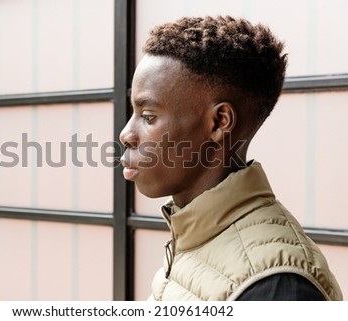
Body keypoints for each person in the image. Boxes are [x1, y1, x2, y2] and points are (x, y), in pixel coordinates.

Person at [119, 16, 342, 300]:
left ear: (219, 122)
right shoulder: (193, 235)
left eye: (148, 116)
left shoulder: (276, 286)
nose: (126, 133)